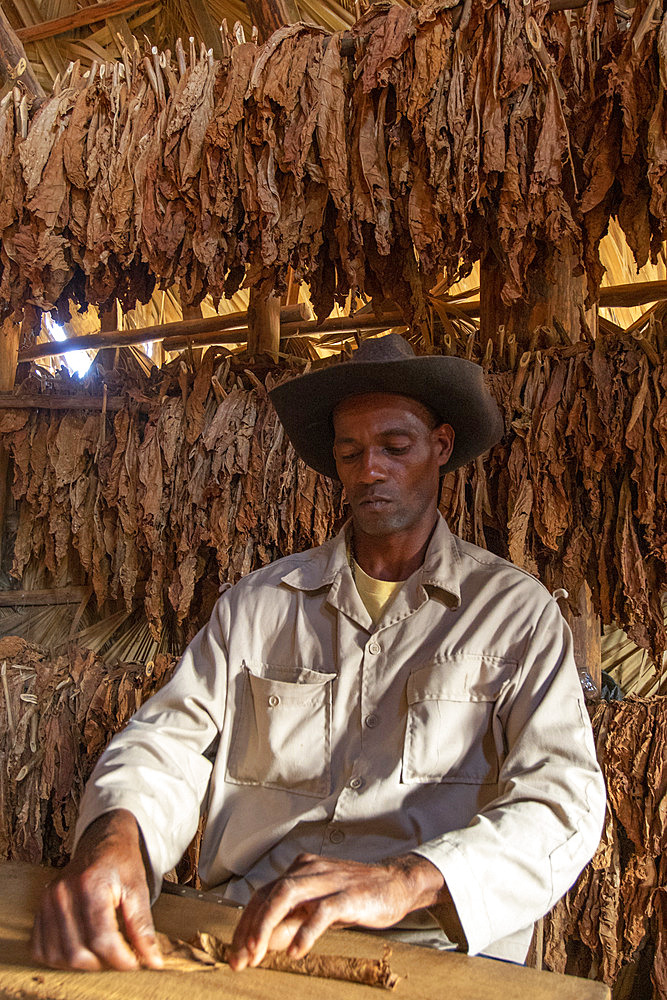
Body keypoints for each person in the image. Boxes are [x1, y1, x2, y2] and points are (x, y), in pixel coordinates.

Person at [31, 333, 606, 973]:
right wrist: (117, 835)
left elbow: (564, 798)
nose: (370, 471)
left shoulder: (514, 615)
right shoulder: (258, 607)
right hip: (252, 933)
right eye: (350, 452)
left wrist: (407, 880)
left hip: (433, 947)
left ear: (441, 447)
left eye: (395, 447)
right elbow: (170, 741)